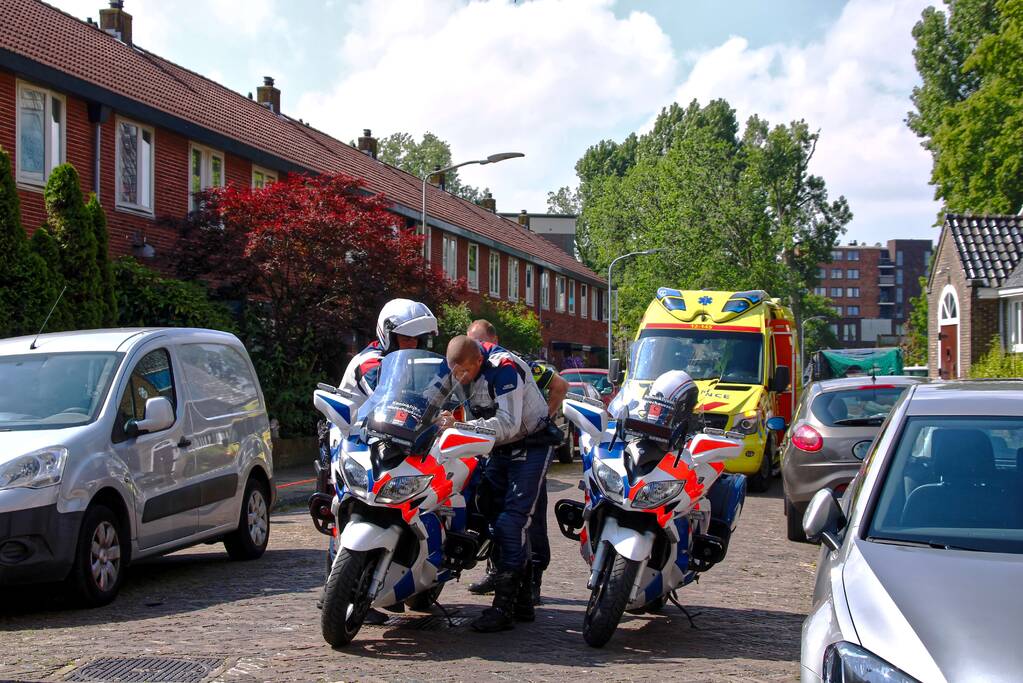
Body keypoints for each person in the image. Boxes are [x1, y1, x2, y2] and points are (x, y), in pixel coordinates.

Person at [317, 298, 438, 622]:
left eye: (417, 339)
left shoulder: (414, 362)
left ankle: (401, 575)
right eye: (405, 338)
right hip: (352, 438)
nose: (411, 344)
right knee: (343, 506)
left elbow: (433, 394)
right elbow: (389, 395)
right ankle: (336, 586)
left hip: (389, 440)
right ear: (389, 335)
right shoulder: (369, 361)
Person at [438, 336, 555, 633]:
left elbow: (508, 424)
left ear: (478, 360)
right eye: (456, 373)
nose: (460, 379)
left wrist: (461, 426)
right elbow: (431, 398)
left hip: (531, 444)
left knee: (511, 522)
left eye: (464, 372)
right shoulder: (455, 365)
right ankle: (524, 598)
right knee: (485, 510)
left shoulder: (505, 369)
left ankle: (503, 606)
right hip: (497, 448)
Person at [464, 319, 567, 606]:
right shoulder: (472, 371)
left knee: (524, 518)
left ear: (492, 340)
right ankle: (500, 573)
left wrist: (545, 414)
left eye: (482, 342)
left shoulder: (515, 365)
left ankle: (531, 581)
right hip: (499, 446)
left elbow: (560, 385)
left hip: (530, 443)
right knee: (490, 507)